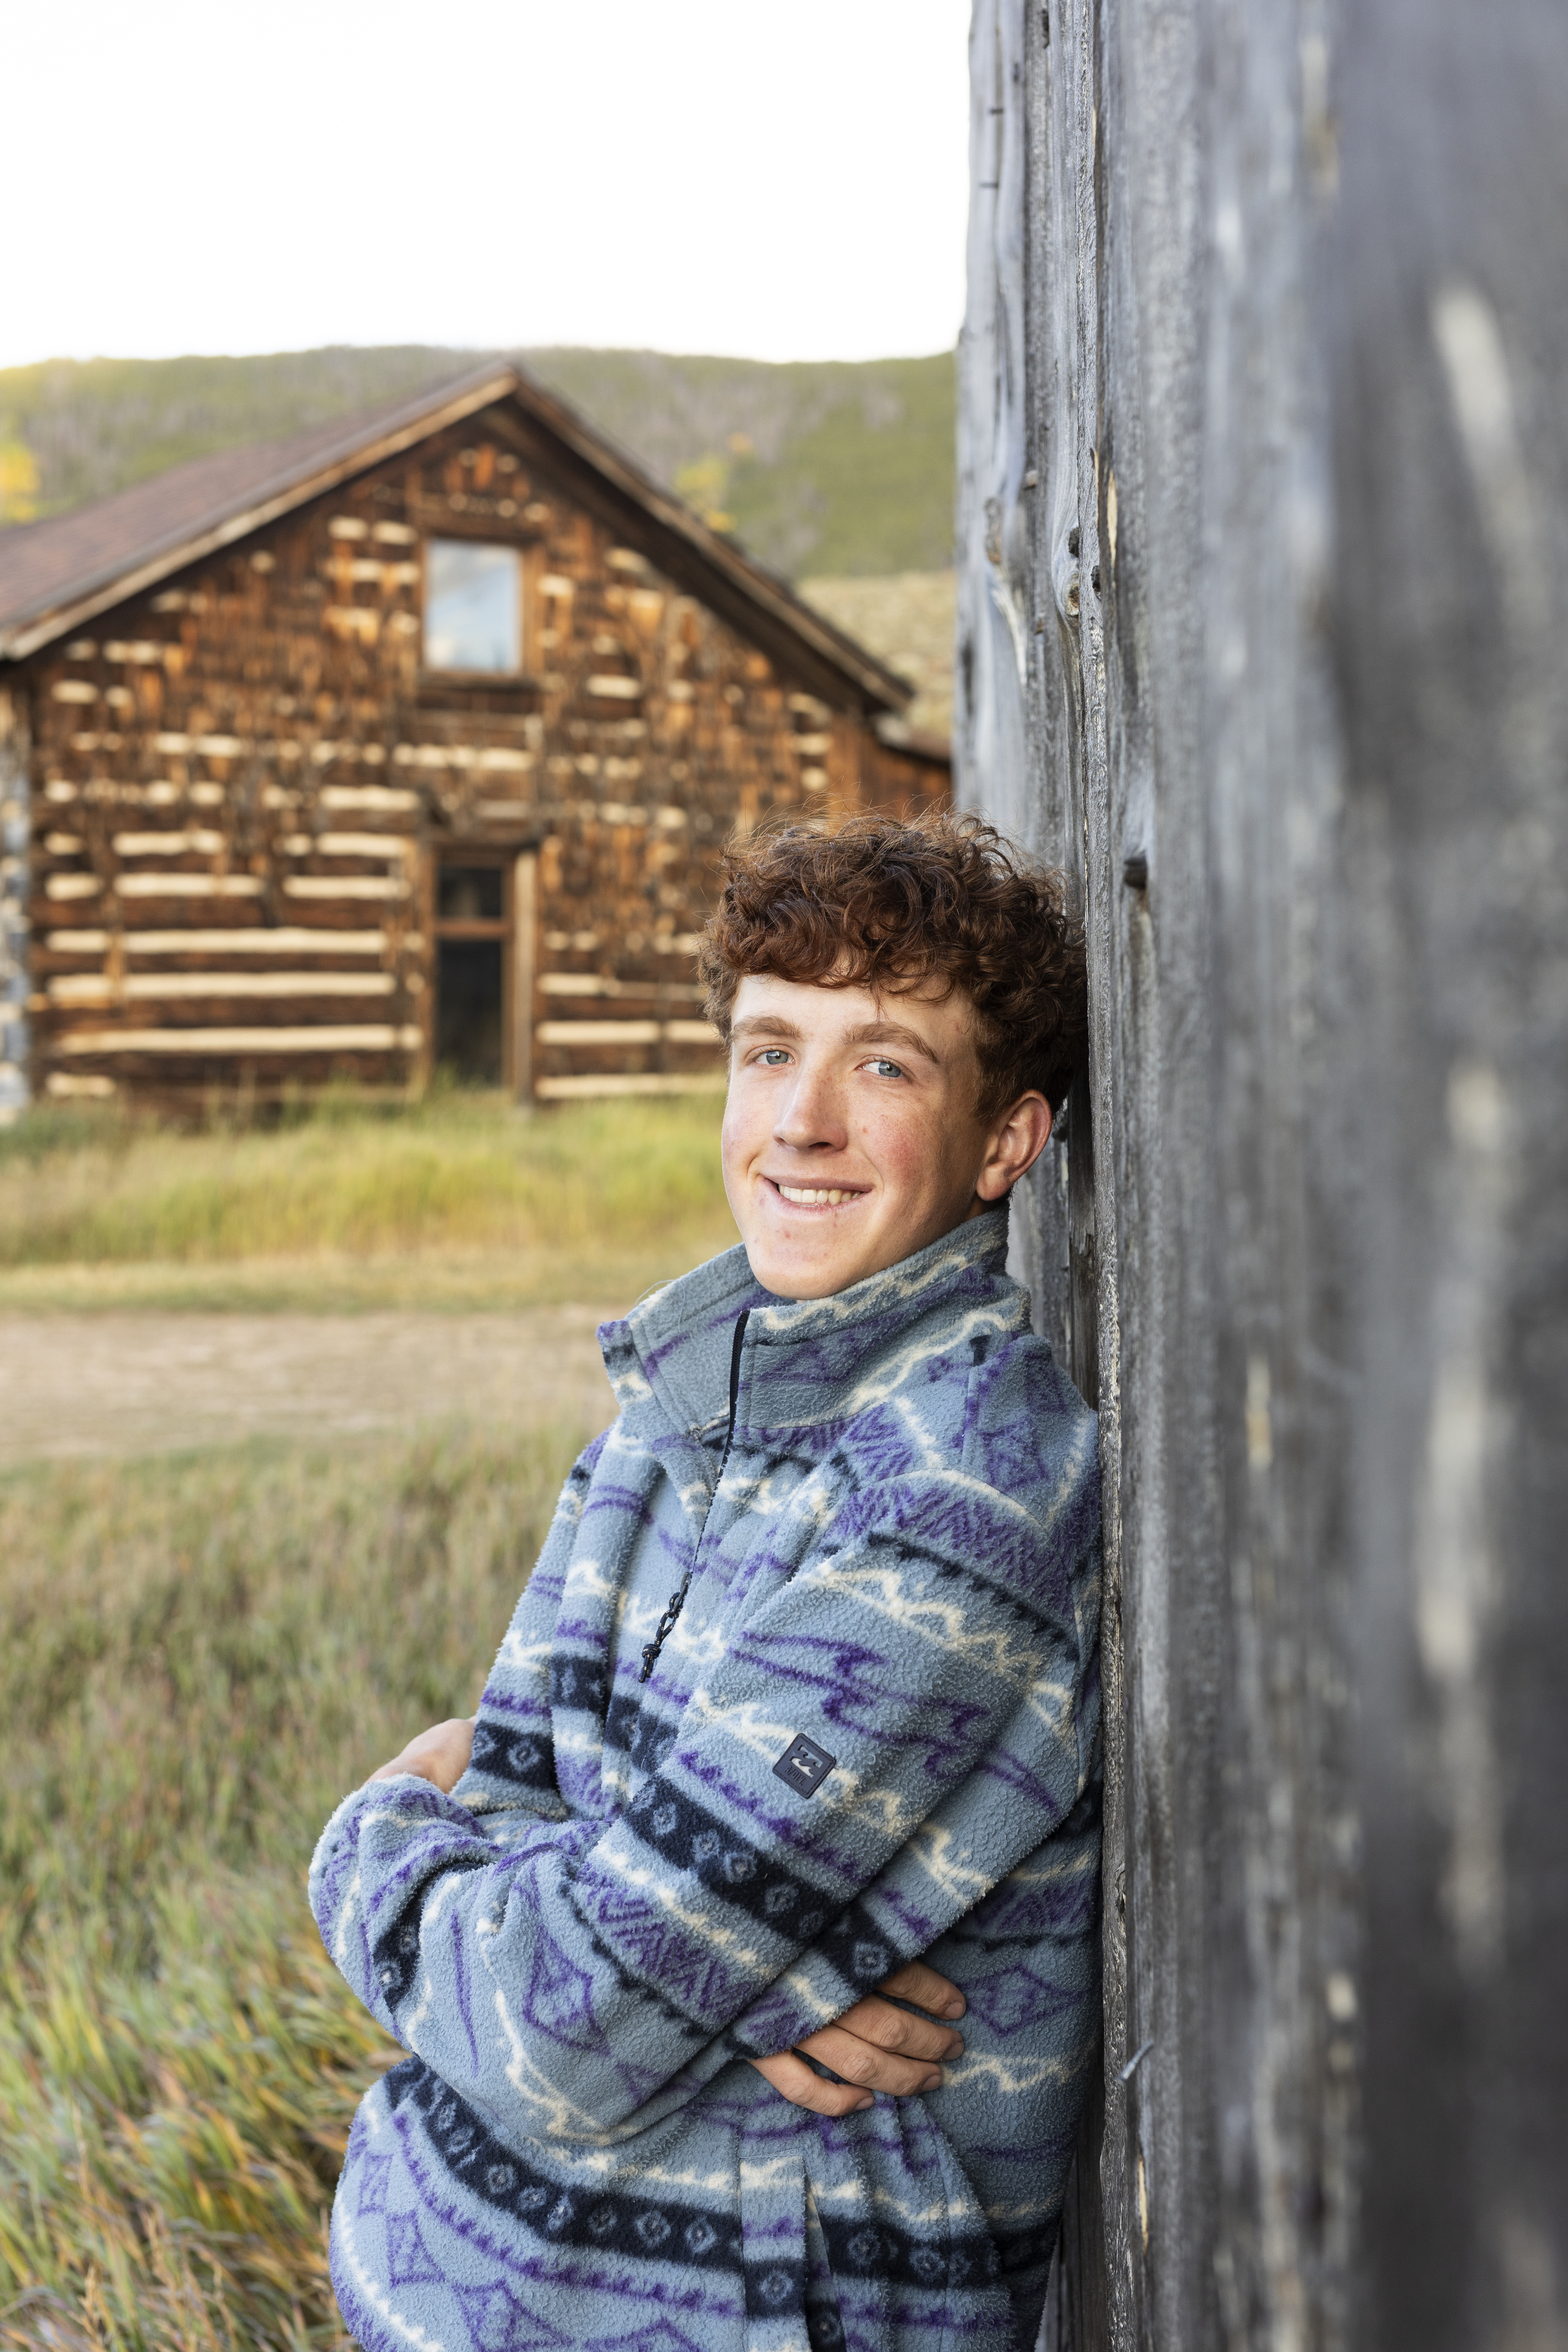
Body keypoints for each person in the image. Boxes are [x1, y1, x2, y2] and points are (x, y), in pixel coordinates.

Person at [309, 810, 1103, 2352]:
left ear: (1006, 1138)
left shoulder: (959, 1500)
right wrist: (717, 1982)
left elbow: (562, 2029)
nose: (798, 1120)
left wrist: (366, 1832)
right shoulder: (676, 1408)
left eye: (882, 1063)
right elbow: (531, 1798)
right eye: (766, 1050)